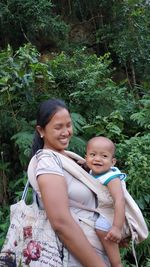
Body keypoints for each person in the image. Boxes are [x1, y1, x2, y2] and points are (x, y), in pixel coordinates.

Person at [30, 99, 111, 267]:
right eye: (58, 127)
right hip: (74, 258)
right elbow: (61, 222)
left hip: (93, 251)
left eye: (68, 125)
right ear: (41, 130)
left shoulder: (71, 158)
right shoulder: (47, 163)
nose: (66, 132)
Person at [85, 136, 126, 267]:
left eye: (104, 156)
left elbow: (119, 200)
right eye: (93, 154)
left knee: (101, 226)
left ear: (112, 162)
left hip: (112, 214)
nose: (97, 159)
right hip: (100, 210)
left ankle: (117, 264)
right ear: (86, 158)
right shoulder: (91, 172)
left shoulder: (111, 177)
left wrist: (117, 228)